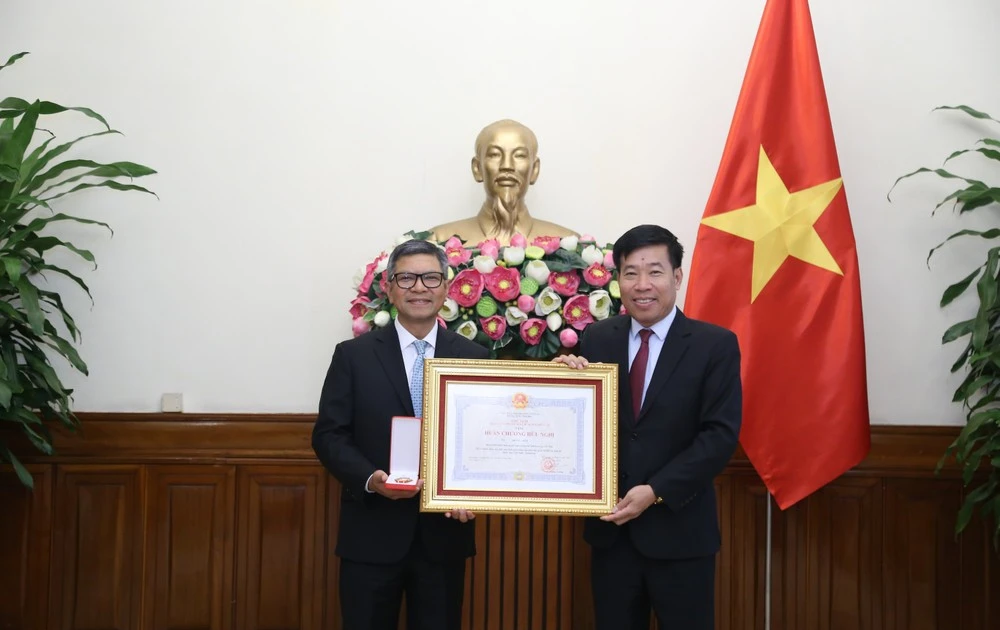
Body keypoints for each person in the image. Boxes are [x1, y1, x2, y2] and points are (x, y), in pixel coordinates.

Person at [555, 224, 742, 630]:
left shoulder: (715, 345)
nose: (642, 285)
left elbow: (719, 436)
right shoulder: (597, 338)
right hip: (611, 537)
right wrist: (557, 386)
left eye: (655, 272)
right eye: (630, 272)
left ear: (677, 277)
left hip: (681, 534)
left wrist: (655, 492)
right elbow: (582, 423)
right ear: (618, 278)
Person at [312, 238, 489, 630]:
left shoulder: (475, 358)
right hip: (371, 535)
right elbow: (329, 435)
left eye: (430, 278)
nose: (419, 288)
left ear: (446, 287)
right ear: (389, 288)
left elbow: (485, 440)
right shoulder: (353, 356)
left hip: (444, 535)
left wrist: (471, 489)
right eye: (407, 278)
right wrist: (372, 479)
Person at [429, 118, 577, 245]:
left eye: (519, 155)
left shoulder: (568, 244)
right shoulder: (438, 241)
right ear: (477, 168)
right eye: (494, 154)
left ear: (534, 170)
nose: (507, 165)